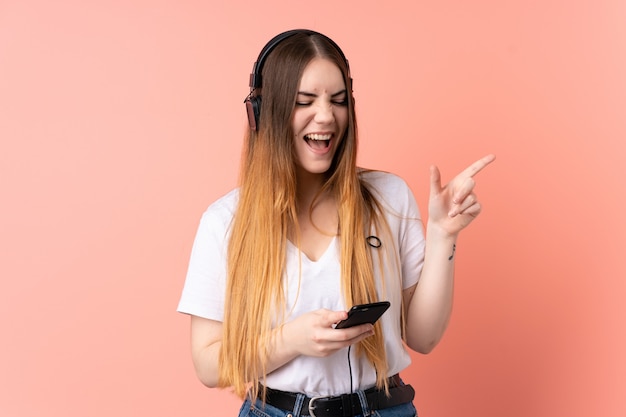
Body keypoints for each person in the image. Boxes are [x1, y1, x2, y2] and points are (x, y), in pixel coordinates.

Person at [177, 29, 495, 417]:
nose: (326, 116)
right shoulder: (224, 223)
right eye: (304, 102)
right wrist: (290, 340)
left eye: (339, 101)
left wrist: (444, 234)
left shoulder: (389, 197)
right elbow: (208, 365)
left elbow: (424, 337)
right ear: (263, 113)